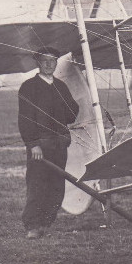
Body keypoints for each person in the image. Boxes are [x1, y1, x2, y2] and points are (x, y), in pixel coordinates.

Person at [17, 47, 79, 239]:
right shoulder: (28, 87)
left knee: (56, 186)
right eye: (44, 60)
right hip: (40, 147)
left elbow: (71, 115)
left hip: (59, 144)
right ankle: (32, 226)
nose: (49, 64)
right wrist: (33, 143)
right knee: (37, 184)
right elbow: (24, 119)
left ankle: (45, 223)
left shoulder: (61, 87)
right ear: (38, 62)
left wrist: (70, 107)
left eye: (52, 60)